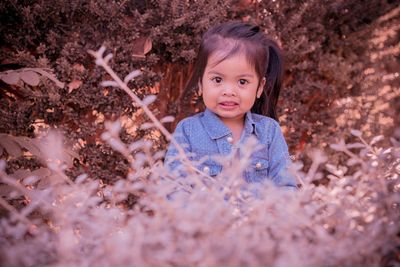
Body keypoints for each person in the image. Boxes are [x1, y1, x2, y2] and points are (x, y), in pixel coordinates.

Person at [164, 21, 297, 189]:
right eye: (217, 80)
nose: (229, 91)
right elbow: (173, 188)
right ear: (200, 83)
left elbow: (287, 187)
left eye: (242, 81)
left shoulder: (269, 132)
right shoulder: (188, 131)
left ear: (259, 87)